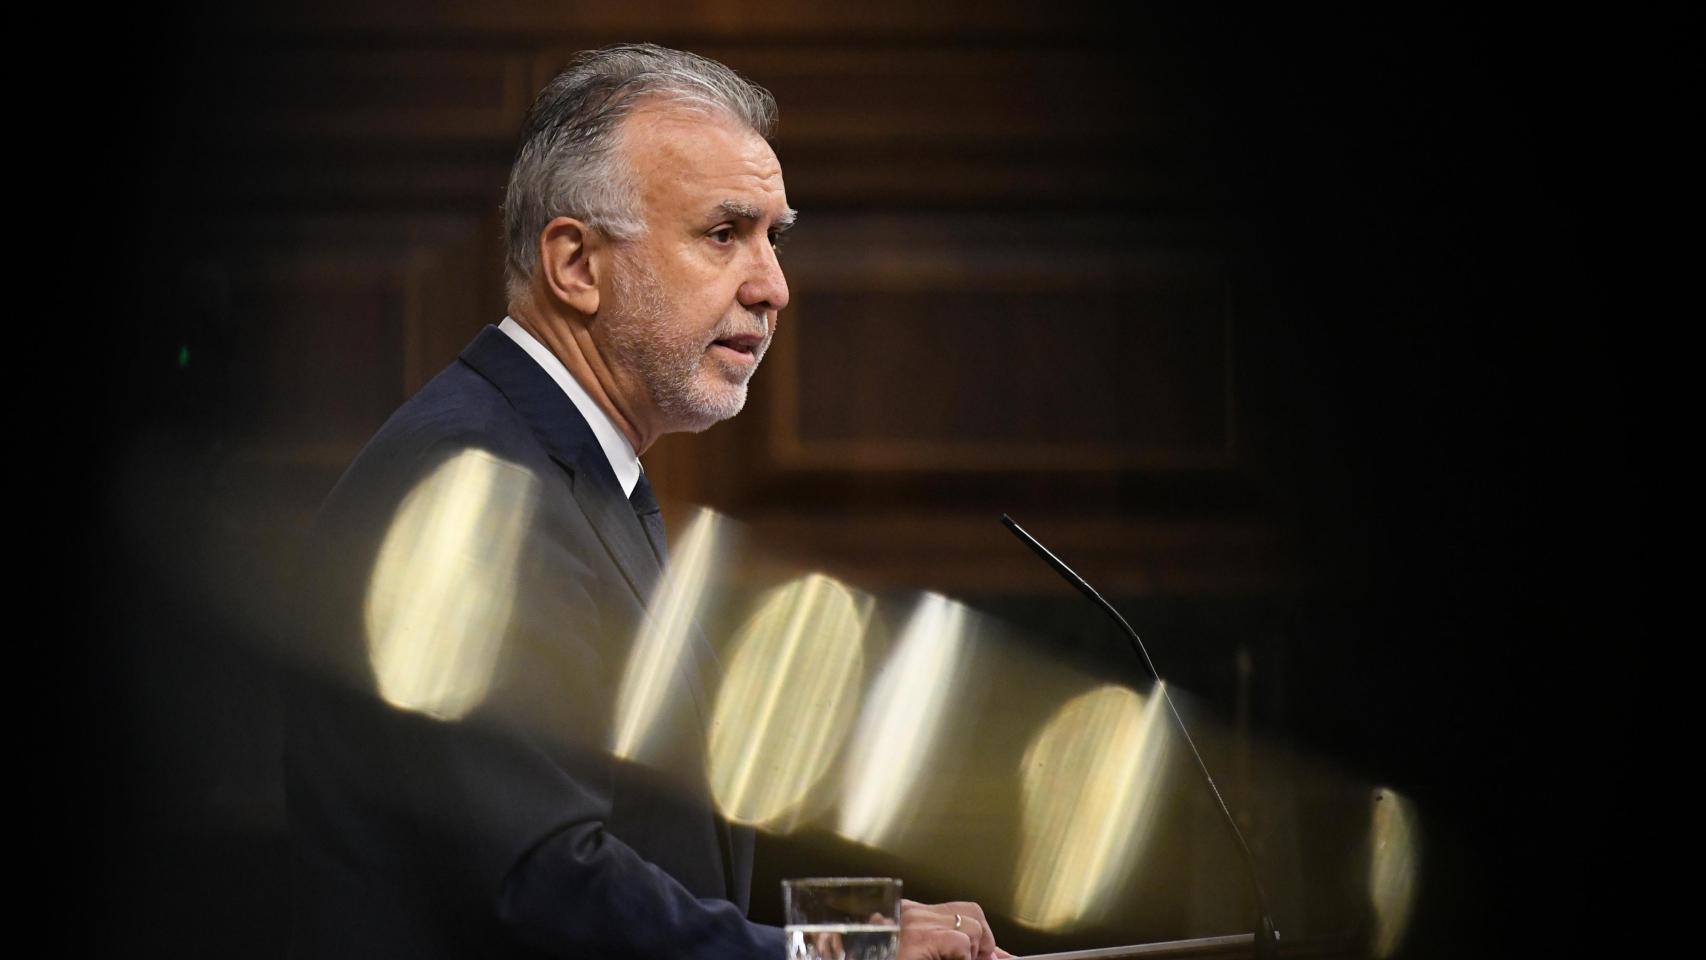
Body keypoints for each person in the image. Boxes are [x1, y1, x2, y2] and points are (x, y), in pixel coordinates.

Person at [285, 43, 1006, 959]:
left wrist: (844, 938)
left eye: (773, 237)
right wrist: (818, 958)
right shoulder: (473, 487)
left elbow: (644, 852)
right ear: (576, 264)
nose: (772, 286)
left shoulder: (565, 465)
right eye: (723, 233)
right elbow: (541, 886)